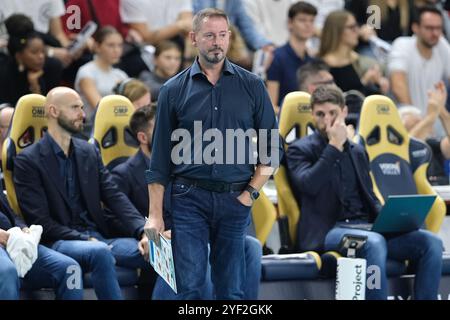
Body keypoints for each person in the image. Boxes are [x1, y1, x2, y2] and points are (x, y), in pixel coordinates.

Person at [144, 8, 282, 299]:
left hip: (235, 199)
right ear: (194, 38)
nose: (217, 42)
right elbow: (159, 160)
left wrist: (250, 195)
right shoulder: (172, 89)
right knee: (190, 288)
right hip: (187, 199)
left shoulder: (253, 86)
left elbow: (272, 148)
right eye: (209, 35)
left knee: (231, 292)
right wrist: (154, 216)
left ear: (230, 38)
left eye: (222, 35)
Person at [286, 85, 443, 300]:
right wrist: (333, 147)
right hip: (331, 233)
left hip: (367, 226)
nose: (327, 120)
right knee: (373, 243)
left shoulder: (357, 151)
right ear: (312, 114)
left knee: (430, 242)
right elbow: (308, 185)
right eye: (320, 114)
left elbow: (368, 196)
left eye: (333, 113)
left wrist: (392, 219)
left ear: (343, 112)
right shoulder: (299, 149)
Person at [111, 106, 263, 299]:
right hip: (150, 238)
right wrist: (151, 232)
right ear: (142, 138)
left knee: (250, 245)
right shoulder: (124, 174)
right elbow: (117, 217)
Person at [13, 87, 149, 300]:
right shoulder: (28, 161)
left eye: (82, 108)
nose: (82, 114)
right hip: (58, 241)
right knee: (100, 252)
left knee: (162, 250)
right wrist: (83, 238)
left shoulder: (89, 152)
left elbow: (114, 196)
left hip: (98, 237)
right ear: (54, 111)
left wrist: (143, 231)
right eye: (75, 108)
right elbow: (39, 221)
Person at [0, 189, 83, 300]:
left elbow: (10, 214)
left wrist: (23, 227)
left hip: (15, 239)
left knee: (71, 268)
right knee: (7, 272)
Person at [389, 5, 450, 137]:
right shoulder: (402, 45)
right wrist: (415, 115)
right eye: (429, 28)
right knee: (411, 121)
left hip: (433, 117)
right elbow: (398, 85)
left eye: (438, 28)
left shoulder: (441, 45)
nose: (435, 33)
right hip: (405, 115)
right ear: (415, 28)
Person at [319, 10, 389, 96]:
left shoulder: (358, 60)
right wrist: (365, 81)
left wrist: (380, 87)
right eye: (351, 27)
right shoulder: (322, 65)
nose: (357, 31)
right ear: (337, 31)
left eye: (356, 26)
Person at [75, 26, 128, 136]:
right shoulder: (86, 71)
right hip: (90, 129)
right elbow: (99, 106)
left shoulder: (121, 74)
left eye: (119, 45)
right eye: (111, 45)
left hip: (118, 128)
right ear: (97, 47)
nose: (116, 50)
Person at [266, 1, 317, 114]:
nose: (308, 25)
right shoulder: (277, 57)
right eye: (302, 20)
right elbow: (270, 106)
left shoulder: (313, 60)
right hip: (285, 123)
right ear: (290, 23)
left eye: (312, 20)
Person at [0, 14, 63, 106]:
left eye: (43, 51)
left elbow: (51, 111)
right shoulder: (5, 72)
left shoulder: (52, 67)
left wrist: (35, 87)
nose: (41, 56)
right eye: (34, 52)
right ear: (19, 56)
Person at [399, 81, 450, 185]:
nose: (418, 118)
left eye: (420, 118)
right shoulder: (394, 146)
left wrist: (441, 111)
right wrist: (430, 117)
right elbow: (407, 146)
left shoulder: (429, 144)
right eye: (410, 115)